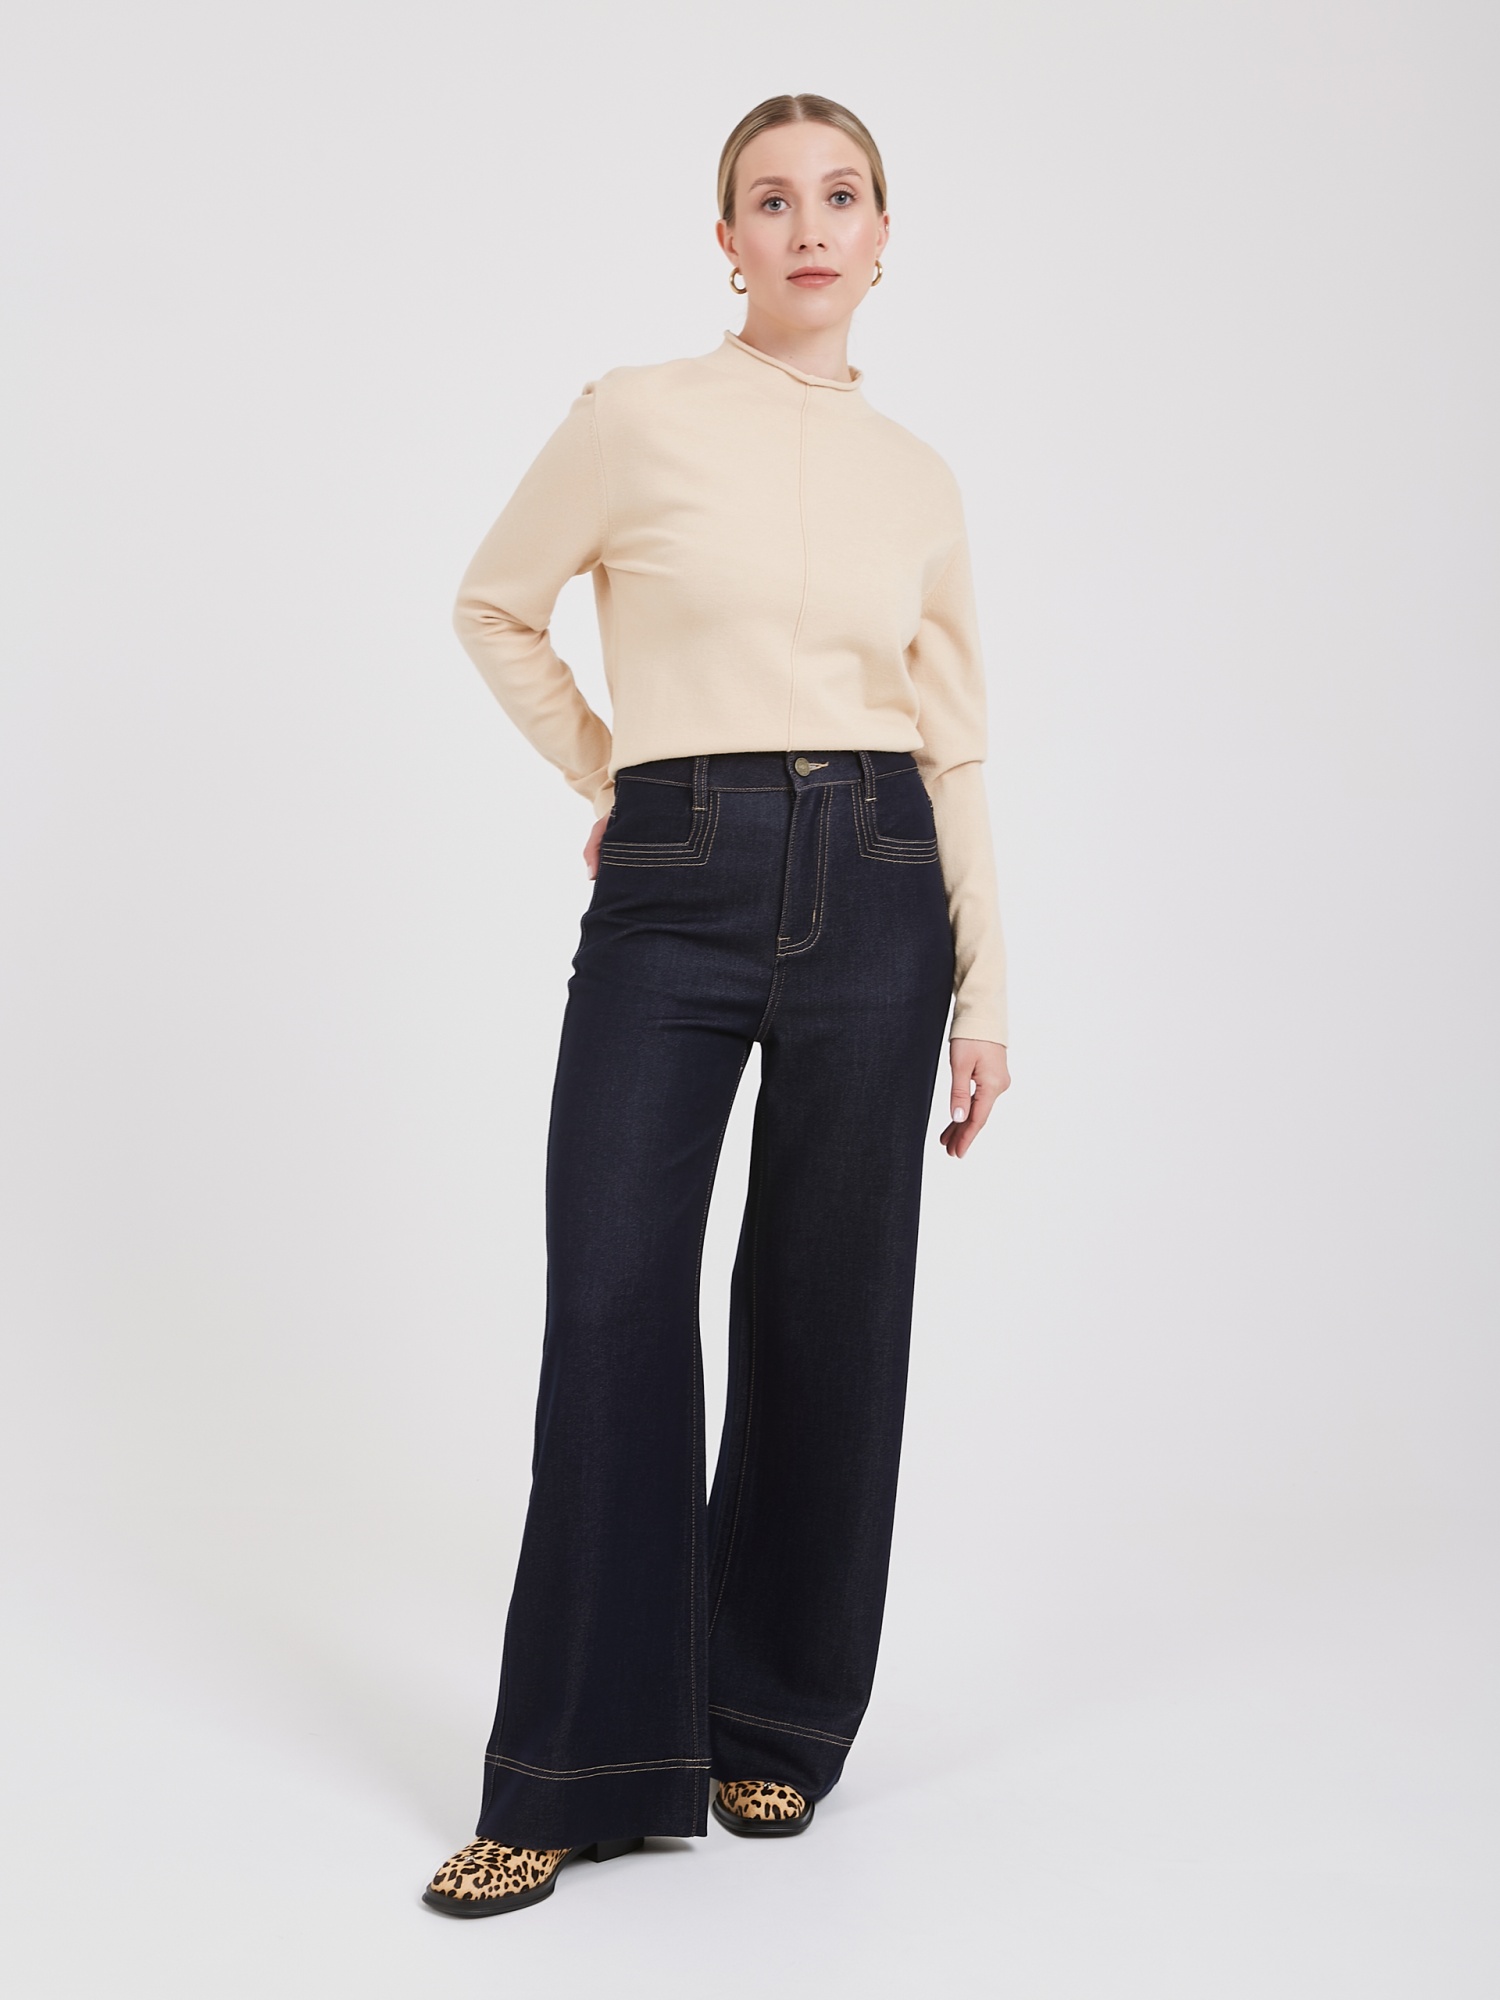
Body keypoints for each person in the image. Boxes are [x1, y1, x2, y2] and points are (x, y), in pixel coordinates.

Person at [422, 92, 1010, 1918]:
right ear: (729, 239)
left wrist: (988, 987)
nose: (808, 226)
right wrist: (613, 770)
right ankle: (570, 1774)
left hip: (884, 873)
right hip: (676, 873)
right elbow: (495, 606)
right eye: (772, 198)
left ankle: (770, 1715)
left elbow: (956, 747)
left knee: (831, 1308)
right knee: (611, 1295)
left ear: (884, 236)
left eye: (841, 196)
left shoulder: (920, 479)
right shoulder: (635, 415)